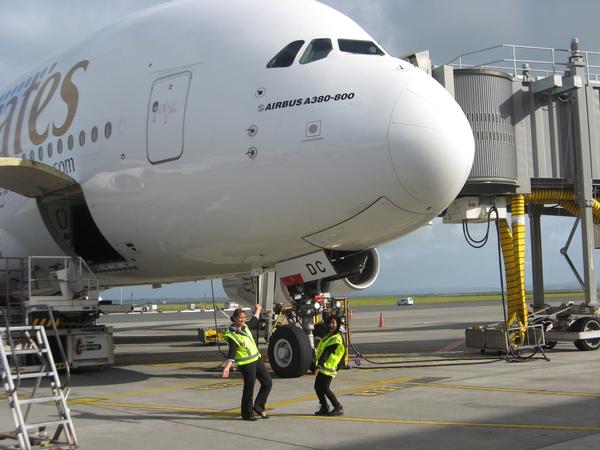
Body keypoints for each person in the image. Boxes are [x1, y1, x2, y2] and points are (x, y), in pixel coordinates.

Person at [222, 304, 272, 421]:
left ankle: (259, 406)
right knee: (249, 387)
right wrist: (227, 367)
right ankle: (247, 413)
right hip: (246, 363)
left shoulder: (245, 327)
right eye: (240, 318)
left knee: (267, 383)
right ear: (234, 318)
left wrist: (258, 309)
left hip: (256, 359)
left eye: (244, 317)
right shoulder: (232, 335)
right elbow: (232, 353)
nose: (243, 320)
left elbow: (254, 320)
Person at [313, 315, 345, 416]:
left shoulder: (336, 339)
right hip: (325, 367)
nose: (331, 325)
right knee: (317, 387)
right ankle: (324, 407)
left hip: (329, 367)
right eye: (330, 323)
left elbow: (326, 353)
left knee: (325, 388)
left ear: (338, 325)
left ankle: (338, 406)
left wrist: (319, 366)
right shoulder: (329, 335)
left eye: (333, 323)